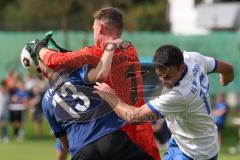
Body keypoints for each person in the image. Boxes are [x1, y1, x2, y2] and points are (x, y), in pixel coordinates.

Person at [30, 7, 159, 160]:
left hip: (119, 130)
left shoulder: (94, 53)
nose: (93, 33)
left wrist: (38, 48)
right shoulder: (129, 48)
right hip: (142, 129)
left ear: (101, 28)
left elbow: (54, 60)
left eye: (94, 29)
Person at [94, 44, 234, 160]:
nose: (164, 81)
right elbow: (227, 69)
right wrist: (226, 78)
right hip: (193, 142)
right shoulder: (193, 58)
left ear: (181, 68)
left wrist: (111, 96)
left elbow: (133, 117)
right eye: (160, 76)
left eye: (168, 77)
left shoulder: (180, 94)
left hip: (194, 153)